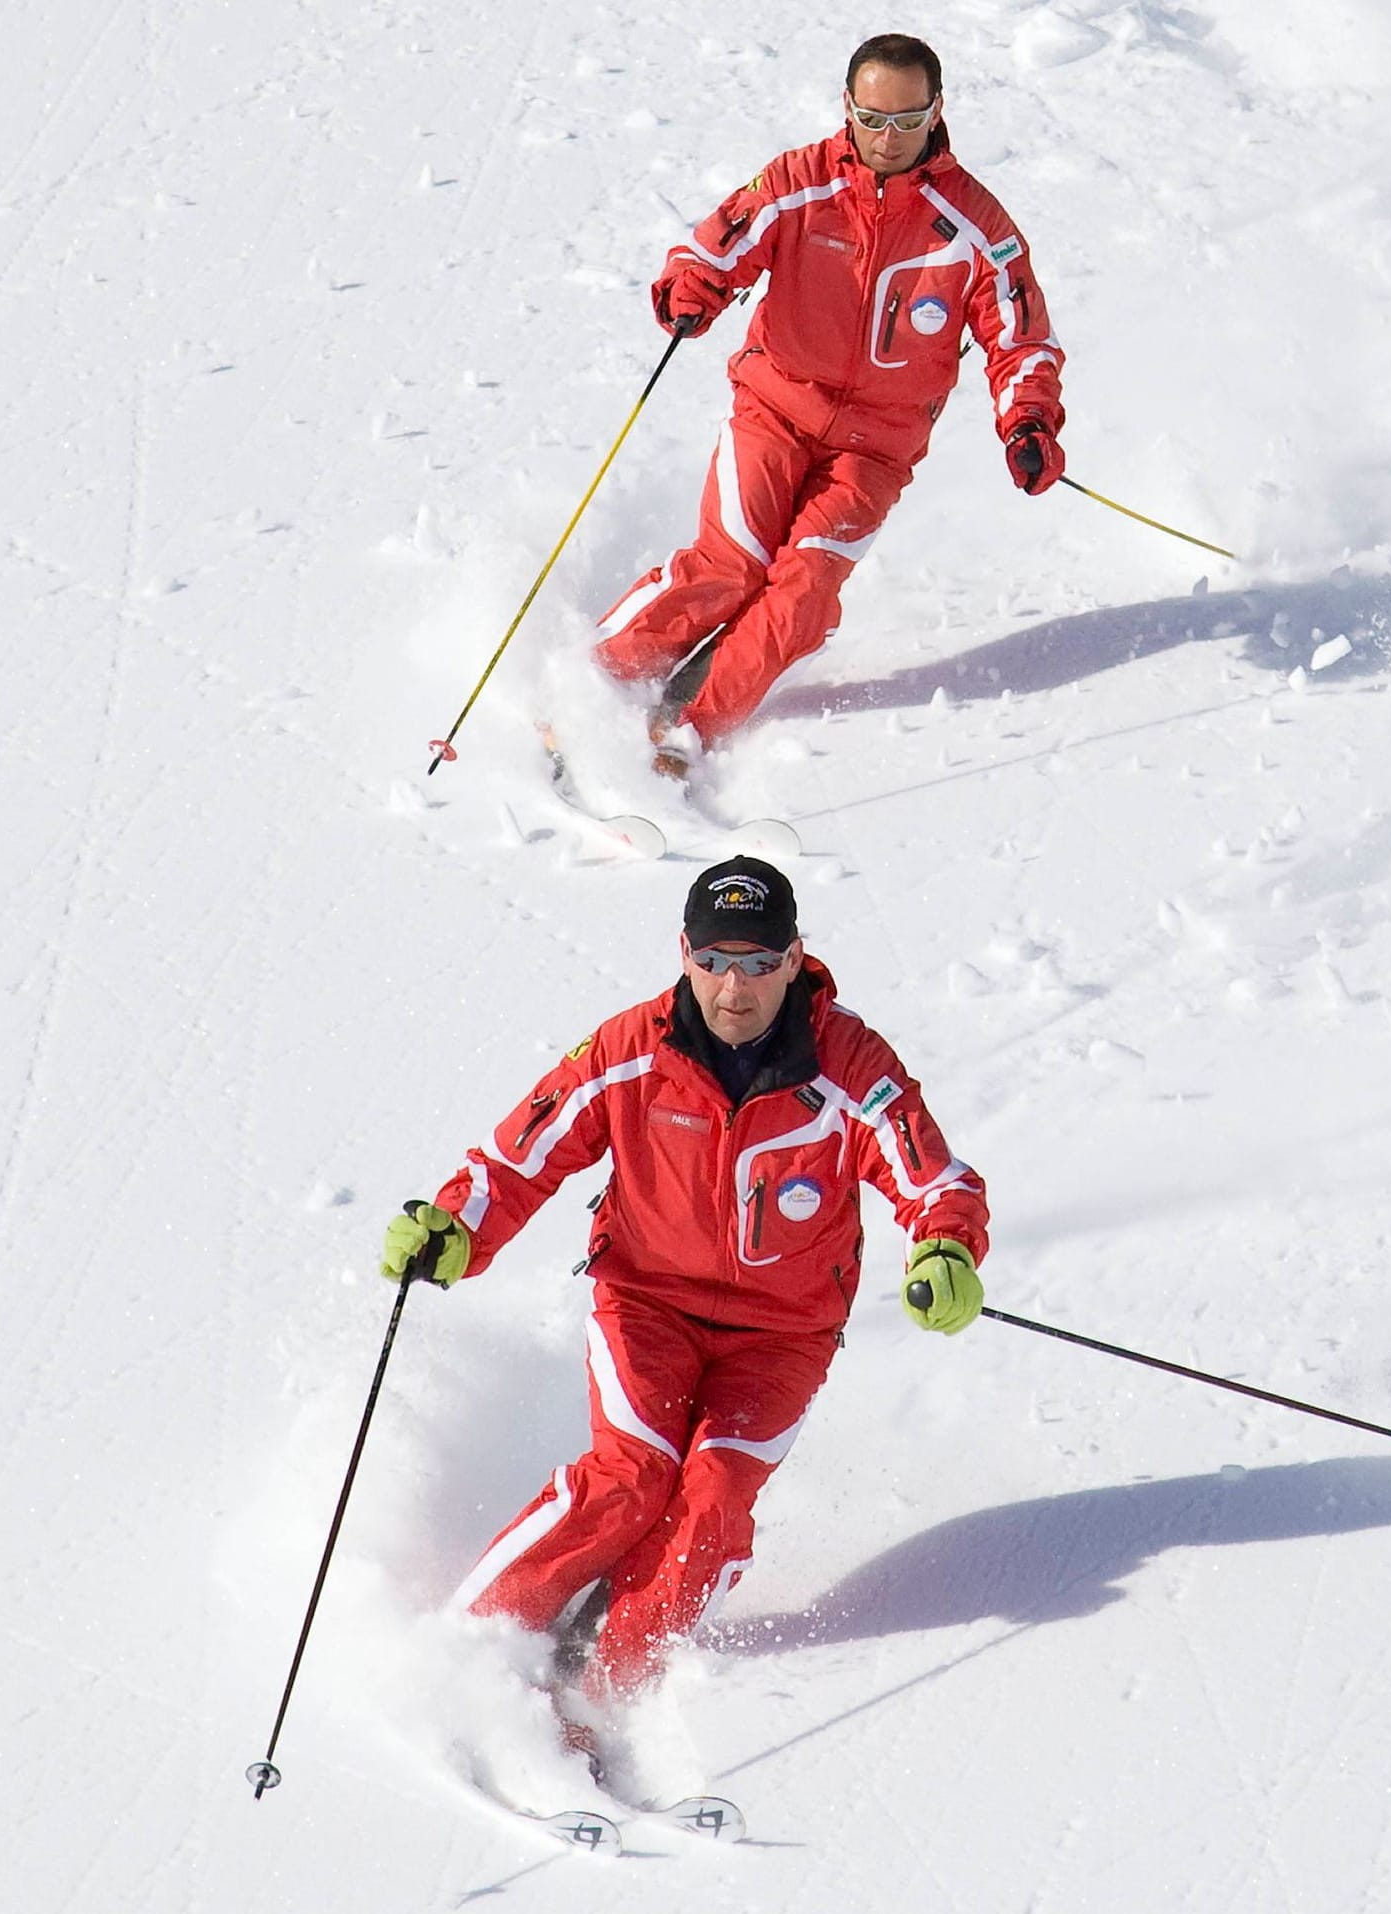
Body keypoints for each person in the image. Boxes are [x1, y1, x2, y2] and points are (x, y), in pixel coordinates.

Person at [380, 855, 991, 1705]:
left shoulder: (848, 1065)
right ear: (683, 954)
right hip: (646, 1304)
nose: (732, 989)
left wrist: (944, 1249)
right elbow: (518, 1157)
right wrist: (455, 1226)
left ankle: (605, 1696)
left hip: (782, 1333)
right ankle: (467, 1653)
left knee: (710, 1503)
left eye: (755, 964)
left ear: (793, 958)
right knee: (631, 1477)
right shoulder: (631, 1049)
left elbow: (933, 1178)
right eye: (712, 962)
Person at [591, 32, 1069, 775]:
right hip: (774, 409)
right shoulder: (797, 181)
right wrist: (693, 289)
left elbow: (1020, 336)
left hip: (875, 447)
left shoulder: (976, 227)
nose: (886, 138)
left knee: (805, 591)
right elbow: (714, 246)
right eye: (871, 119)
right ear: (845, 107)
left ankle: (685, 733)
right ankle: (593, 681)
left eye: (906, 121)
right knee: (732, 564)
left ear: (936, 111)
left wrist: (1027, 421)